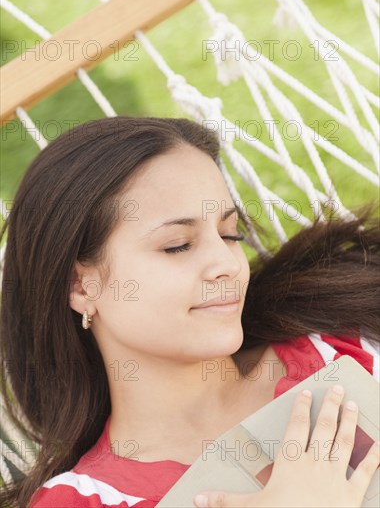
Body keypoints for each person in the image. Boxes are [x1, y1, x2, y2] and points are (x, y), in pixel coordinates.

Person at [0, 116, 378, 508]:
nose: (227, 263)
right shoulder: (80, 501)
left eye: (230, 234)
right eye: (177, 245)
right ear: (81, 286)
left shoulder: (348, 346)